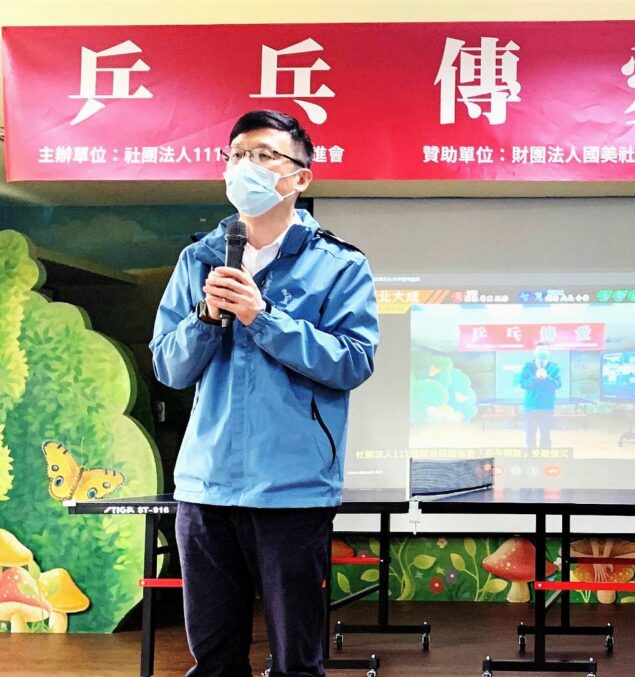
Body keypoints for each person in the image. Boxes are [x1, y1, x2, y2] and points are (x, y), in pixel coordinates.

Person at [150, 110, 379, 677]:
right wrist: (206, 318)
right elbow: (169, 368)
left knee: (297, 661)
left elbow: (353, 361)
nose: (244, 167)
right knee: (214, 660)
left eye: (263, 155)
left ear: (301, 177)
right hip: (205, 487)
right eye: (236, 155)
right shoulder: (199, 258)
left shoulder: (340, 264)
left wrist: (263, 317)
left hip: (291, 490)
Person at [519, 342, 562, 450]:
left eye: (545, 350)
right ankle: (531, 454)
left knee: (545, 433)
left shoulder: (554, 368)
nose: (542, 352)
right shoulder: (528, 367)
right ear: (534, 352)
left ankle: (545, 454)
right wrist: (534, 377)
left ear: (549, 352)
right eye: (539, 350)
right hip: (530, 407)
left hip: (546, 407)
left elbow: (557, 385)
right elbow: (523, 384)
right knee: (530, 434)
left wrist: (547, 378)